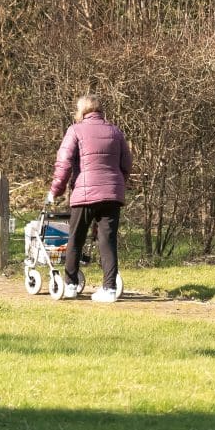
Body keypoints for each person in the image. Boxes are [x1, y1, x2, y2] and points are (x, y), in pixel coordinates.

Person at [46, 93, 133, 303]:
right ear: (99, 110)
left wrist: (55, 190)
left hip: (84, 194)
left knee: (75, 239)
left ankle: (71, 285)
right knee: (107, 240)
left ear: (82, 111)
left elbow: (64, 164)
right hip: (111, 194)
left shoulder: (75, 130)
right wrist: (117, 182)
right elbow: (127, 164)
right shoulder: (115, 132)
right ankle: (109, 288)